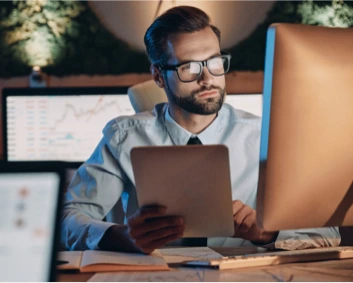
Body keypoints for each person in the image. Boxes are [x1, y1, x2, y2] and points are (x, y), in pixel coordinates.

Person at [61, 6, 340, 254]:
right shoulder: (124, 136)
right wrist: (122, 237)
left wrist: (266, 233)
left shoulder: (264, 138)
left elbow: (328, 233)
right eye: (189, 67)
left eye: (215, 62)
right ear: (158, 76)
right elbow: (68, 218)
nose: (208, 79)